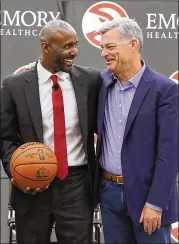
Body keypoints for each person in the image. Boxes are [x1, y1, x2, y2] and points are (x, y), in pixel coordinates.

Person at [1, 19, 101, 244]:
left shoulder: (91, 80)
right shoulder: (14, 85)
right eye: (67, 46)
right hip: (32, 188)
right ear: (46, 47)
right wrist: (17, 173)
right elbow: (5, 138)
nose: (74, 52)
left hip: (77, 185)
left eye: (75, 45)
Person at [94, 18, 178, 244]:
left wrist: (155, 203)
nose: (104, 53)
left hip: (147, 198)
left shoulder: (166, 90)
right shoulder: (100, 83)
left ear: (133, 45)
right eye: (102, 48)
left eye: (110, 47)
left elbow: (170, 153)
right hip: (108, 194)